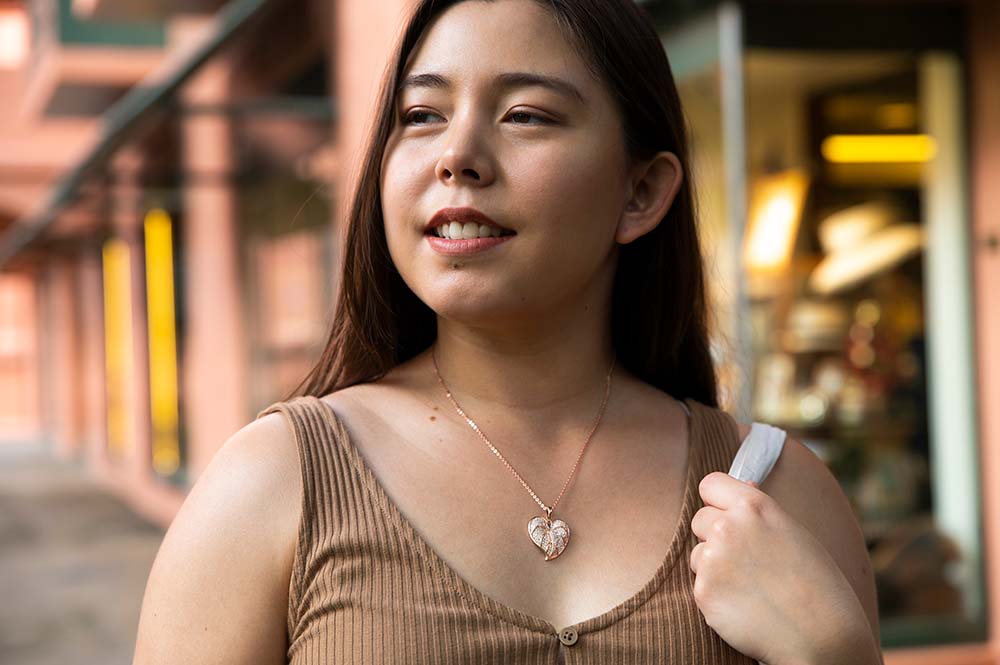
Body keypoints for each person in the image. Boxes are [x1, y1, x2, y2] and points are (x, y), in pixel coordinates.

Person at [132, 1, 882, 663]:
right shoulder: (275, 483)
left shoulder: (779, 497)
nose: (455, 156)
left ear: (642, 191)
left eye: (525, 114)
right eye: (422, 116)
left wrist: (836, 654)